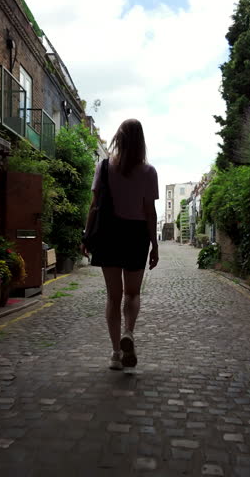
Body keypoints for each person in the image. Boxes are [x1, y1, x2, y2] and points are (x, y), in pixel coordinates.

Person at [81, 119, 159, 371]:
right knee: (132, 293)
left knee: (113, 297)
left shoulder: (103, 166)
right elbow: (150, 212)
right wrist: (154, 245)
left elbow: (94, 205)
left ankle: (116, 354)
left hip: (108, 233)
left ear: (119, 138)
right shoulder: (149, 172)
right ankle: (128, 332)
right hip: (136, 235)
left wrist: (86, 236)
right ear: (141, 141)